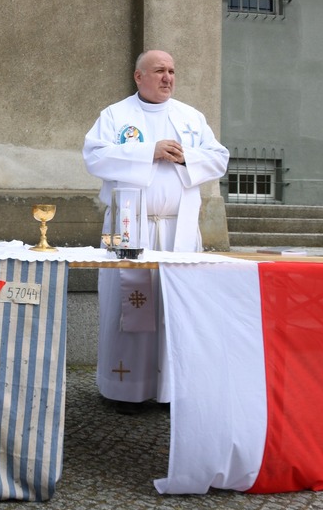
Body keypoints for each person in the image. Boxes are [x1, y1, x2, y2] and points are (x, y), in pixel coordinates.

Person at [82, 49, 229, 410]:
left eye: (172, 71)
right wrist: (150, 151)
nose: (168, 78)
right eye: (160, 71)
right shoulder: (116, 115)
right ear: (139, 76)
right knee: (126, 308)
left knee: (173, 310)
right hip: (131, 231)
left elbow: (219, 158)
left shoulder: (190, 117)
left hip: (178, 233)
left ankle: (170, 391)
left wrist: (184, 156)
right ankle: (125, 390)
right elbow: (94, 157)